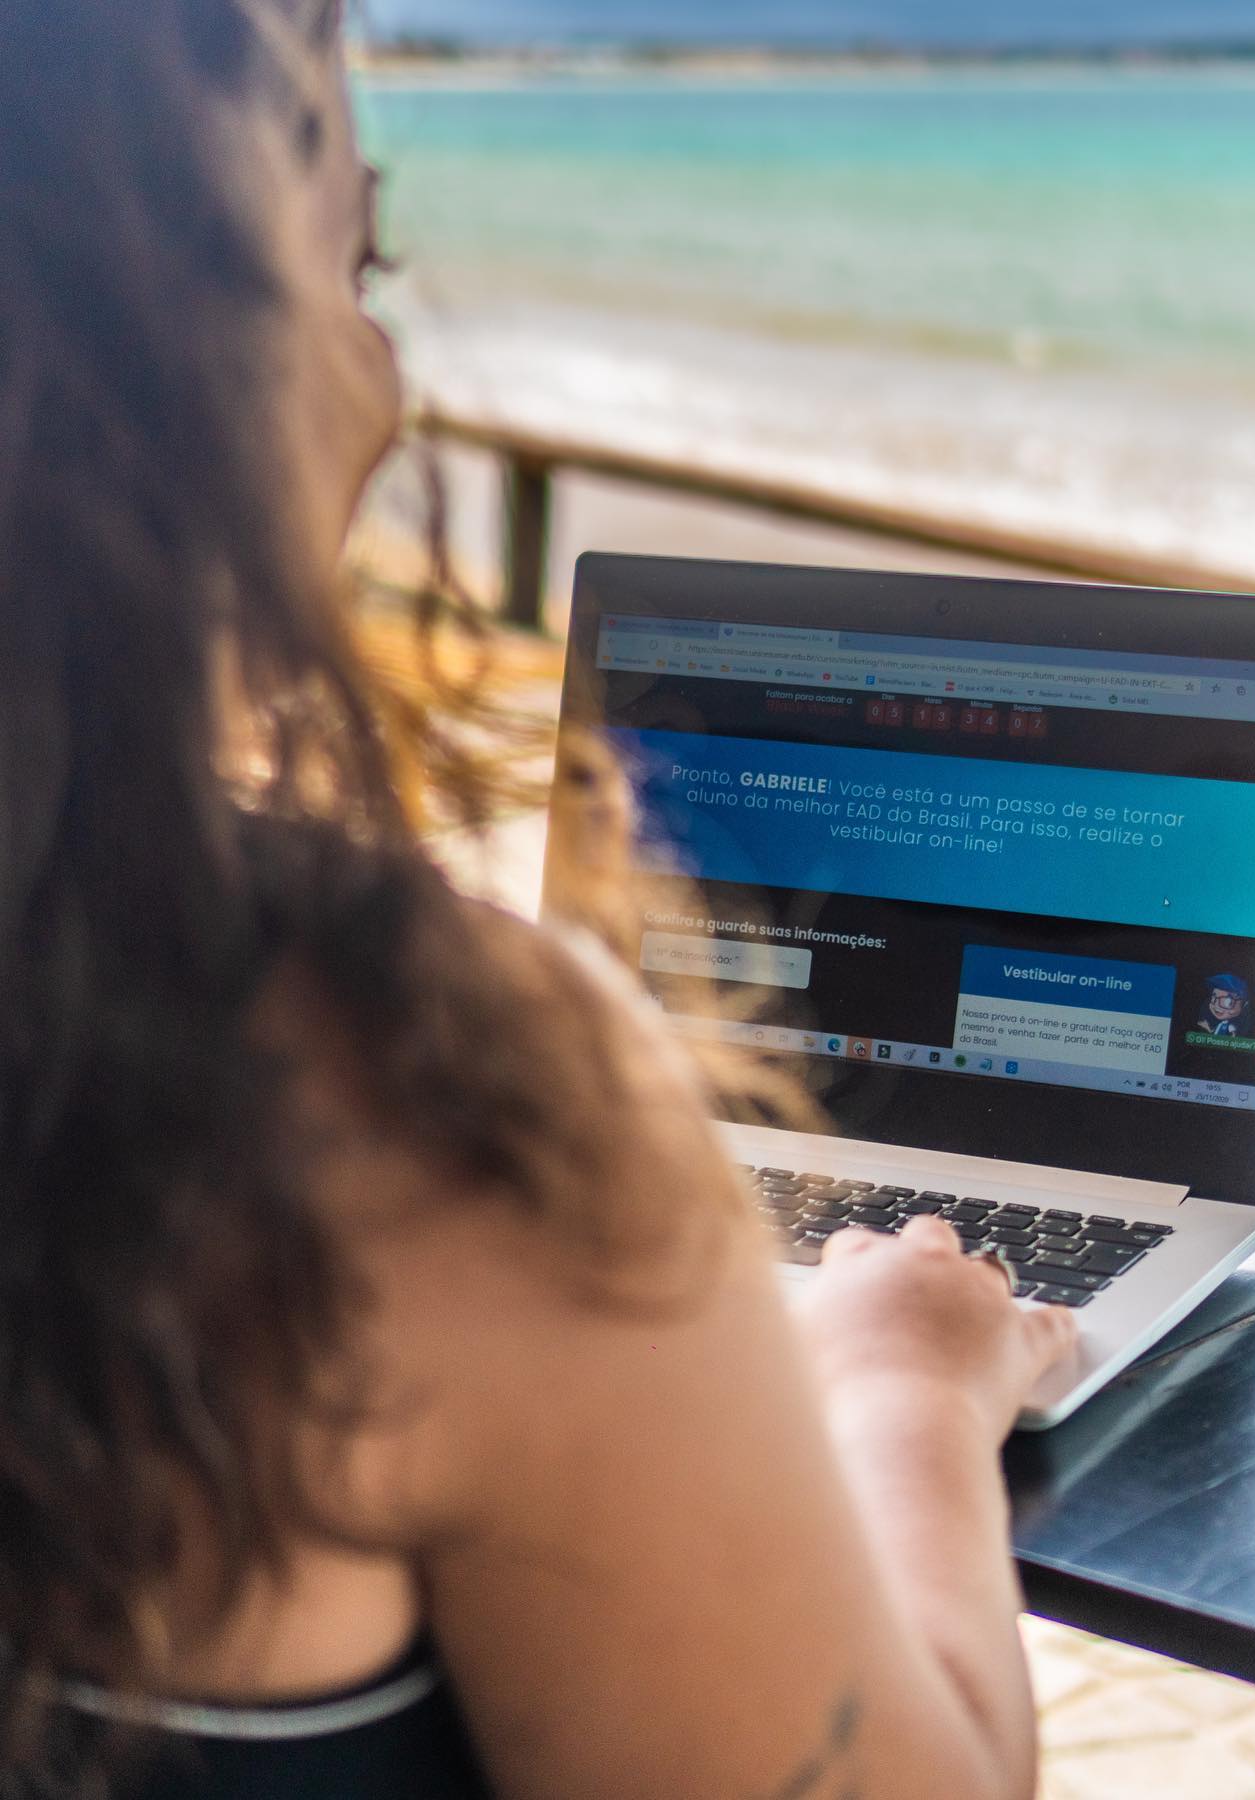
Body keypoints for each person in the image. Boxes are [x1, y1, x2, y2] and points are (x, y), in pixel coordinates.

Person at [0, 3, 1078, 1796]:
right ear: (171, 339)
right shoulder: (383, 1094)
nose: (384, 372)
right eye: (358, 261)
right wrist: (905, 1384)